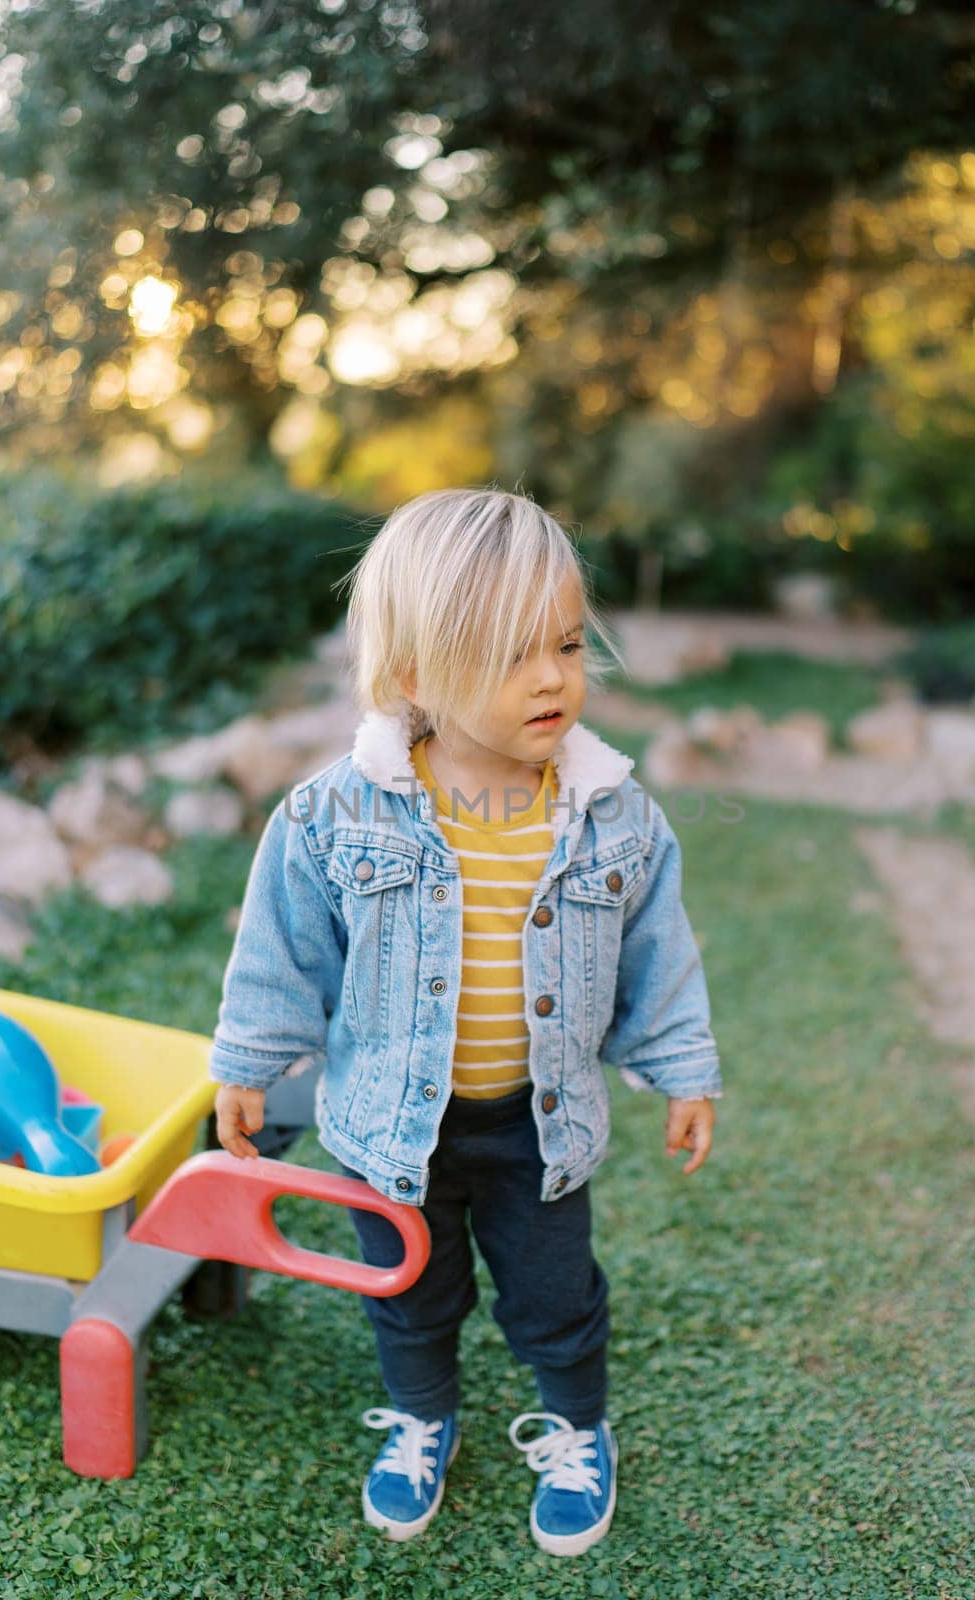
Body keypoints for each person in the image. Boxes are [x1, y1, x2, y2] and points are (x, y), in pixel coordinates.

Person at [208, 486, 724, 1557]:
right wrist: (252, 1058)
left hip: (535, 1127)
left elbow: (656, 954)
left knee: (552, 1293)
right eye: (509, 653)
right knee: (409, 1286)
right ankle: (421, 1415)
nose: (552, 675)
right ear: (411, 679)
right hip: (387, 1129)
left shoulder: (614, 817)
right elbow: (281, 945)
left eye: (568, 643)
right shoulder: (335, 813)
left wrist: (682, 1069)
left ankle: (578, 1425)